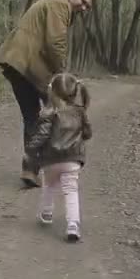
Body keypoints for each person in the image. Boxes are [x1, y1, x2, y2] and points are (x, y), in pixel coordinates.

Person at [0, 0, 95, 188]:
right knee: (58, 113)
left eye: (87, 7)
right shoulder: (60, 6)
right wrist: (63, 73)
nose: (84, 8)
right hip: (28, 66)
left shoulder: (56, 6)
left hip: (18, 64)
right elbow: (55, 42)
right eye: (83, 2)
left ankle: (31, 169)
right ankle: (60, 165)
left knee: (33, 116)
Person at [24, 72, 92, 242]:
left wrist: (31, 150)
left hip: (51, 160)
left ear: (52, 92)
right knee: (71, 191)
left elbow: (42, 135)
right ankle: (73, 225)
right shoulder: (80, 112)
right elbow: (87, 133)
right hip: (72, 160)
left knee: (49, 186)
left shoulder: (50, 112)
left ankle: (47, 213)